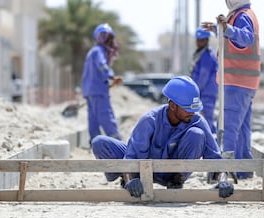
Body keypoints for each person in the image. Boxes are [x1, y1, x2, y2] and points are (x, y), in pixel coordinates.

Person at [92, 76, 234, 198]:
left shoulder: (196, 121)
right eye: (188, 108)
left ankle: (176, 180)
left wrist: (223, 180)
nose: (192, 113)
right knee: (99, 142)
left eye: (194, 109)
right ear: (172, 105)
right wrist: (130, 179)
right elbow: (131, 157)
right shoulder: (150, 120)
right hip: (142, 170)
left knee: (197, 135)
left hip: (171, 173)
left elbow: (215, 158)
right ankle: (127, 179)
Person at [203, 0, 260, 179]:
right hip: (244, 82)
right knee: (242, 130)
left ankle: (225, 169)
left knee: (228, 127)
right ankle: (243, 170)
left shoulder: (242, 16)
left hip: (237, 82)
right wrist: (218, 29)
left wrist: (226, 29)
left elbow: (246, 38)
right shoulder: (241, 15)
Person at [82, 23, 122, 143]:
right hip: (98, 92)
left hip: (90, 91)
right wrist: (112, 76)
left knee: (93, 120)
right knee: (106, 118)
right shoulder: (99, 51)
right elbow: (102, 66)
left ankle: (95, 146)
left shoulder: (92, 51)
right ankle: (119, 146)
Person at [190, 28, 218, 134]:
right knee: (205, 118)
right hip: (203, 91)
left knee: (207, 117)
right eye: (198, 39)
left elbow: (203, 77)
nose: (199, 42)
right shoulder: (200, 53)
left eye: (201, 40)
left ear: (207, 40)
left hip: (207, 92)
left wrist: (195, 91)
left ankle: (211, 142)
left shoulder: (207, 55)